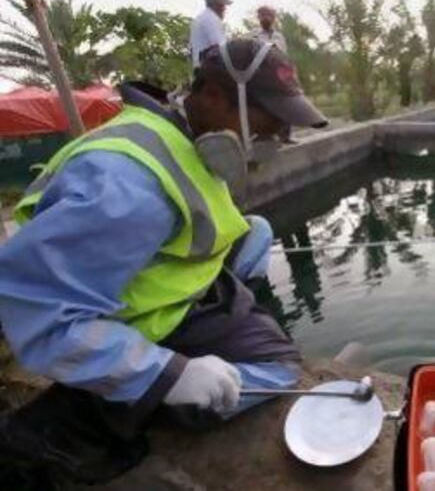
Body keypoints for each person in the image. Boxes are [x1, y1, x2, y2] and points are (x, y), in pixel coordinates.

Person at [0, 38, 328, 487]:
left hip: (168, 283)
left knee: (257, 234)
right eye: (268, 125)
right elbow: (39, 316)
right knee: (279, 371)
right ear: (212, 96)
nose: (274, 142)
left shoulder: (175, 131)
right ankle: (112, 404)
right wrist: (168, 374)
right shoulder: (129, 188)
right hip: (135, 318)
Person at [251, 5, 295, 144]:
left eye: (268, 15)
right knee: (263, 107)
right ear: (258, 18)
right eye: (262, 15)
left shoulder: (279, 36)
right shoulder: (254, 36)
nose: (266, 18)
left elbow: (284, 56)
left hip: (279, 76)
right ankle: (264, 138)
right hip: (262, 76)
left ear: (273, 18)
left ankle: (285, 136)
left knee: (287, 104)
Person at [189, 0, 232, 68]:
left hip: (199, 67)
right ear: (216, 5)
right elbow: (220, 47)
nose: (224, 9)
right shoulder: (212, 19)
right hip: (211, 69)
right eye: (223, 5)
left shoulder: (200, 18)